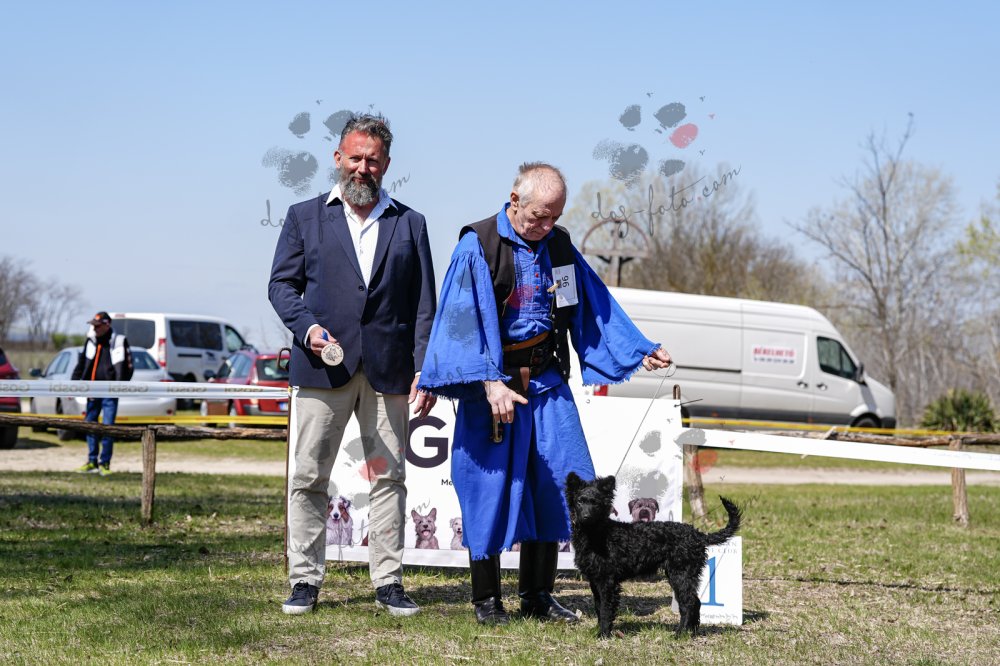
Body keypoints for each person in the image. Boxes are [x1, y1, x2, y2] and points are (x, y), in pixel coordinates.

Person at [417, 163, 672, 625]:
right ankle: (487, 601)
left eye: (555, 217)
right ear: (514, 200)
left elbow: (592, 305)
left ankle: (537, 596)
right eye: (539, 216)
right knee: (487, 490)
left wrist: (639, 348)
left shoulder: (558, 246)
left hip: (547, 384)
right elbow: (459, 321)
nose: (547, 225)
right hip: (491, 387)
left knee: (559, 482)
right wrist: (489, 381)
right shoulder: (477, 246)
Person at [268, 113, 437, 616]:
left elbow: (424, 305)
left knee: (388, 478)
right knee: (308, 475)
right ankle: (304, 579)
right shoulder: (303, 217)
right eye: (356, 158)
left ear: (387, 164)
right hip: (321, 371)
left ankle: (388, 581)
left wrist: (424, 368)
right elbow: (281, 286)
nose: (363, 168)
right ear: (338, 158)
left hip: (390, 375)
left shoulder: (411, 223)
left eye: (374, 160)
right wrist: (308, 329)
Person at [72, 311, 133, 477]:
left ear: (107, 325)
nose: (95, 329)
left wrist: (121, 385)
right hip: (92, 390)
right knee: (89, 425)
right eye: (93, 326)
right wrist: (74, 382)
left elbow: (128, 366)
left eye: (98, 326)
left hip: (110, 392)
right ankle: (92, 461)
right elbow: (82, 363)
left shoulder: (119, 341)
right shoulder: (91, 341)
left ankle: (104, 463)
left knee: (108, 427)